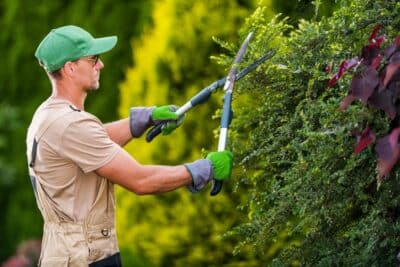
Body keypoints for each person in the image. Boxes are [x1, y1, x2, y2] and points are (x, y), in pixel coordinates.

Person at [26, 25, 233, 267]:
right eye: (93, 59)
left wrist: (145, 118)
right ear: (70, 68)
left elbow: (93, 141)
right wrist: (203, 169)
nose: (100, 65)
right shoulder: (70, 124)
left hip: (70, 253)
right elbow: (141, 181)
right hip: (85, 259)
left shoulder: (50, 115)